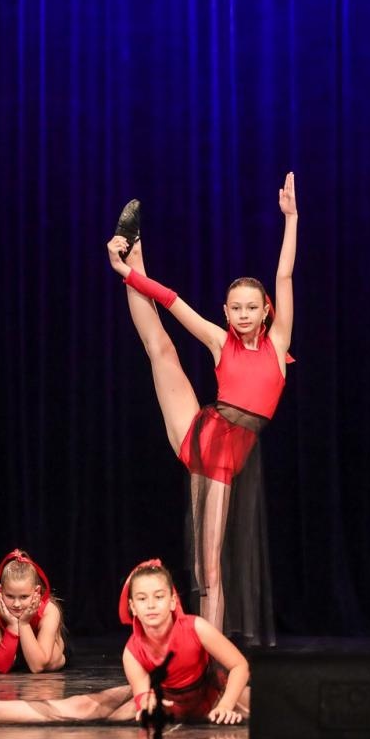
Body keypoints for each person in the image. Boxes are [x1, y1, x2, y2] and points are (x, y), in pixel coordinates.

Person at [104, 172, 297, 647]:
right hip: (205, 437)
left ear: (266, 310)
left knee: (210, 565)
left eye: (252, 307)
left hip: (226, 457)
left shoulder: (277, 345)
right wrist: (127, 273)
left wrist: (291, 219)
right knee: (161, 348)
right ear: (227, 312)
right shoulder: (218, 341)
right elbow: (173, 302)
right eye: (236, 308)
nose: (244, 314)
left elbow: (285, 275)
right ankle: (135, 250)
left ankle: (212, 656)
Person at [0, 559, 250, 725]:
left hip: (208, 695)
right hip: (168, 700)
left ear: (173, 600)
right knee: (90, 708)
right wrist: (148, 704)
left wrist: (225, 705)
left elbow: (238, 665)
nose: (152, 605)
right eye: (142, 599)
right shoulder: (133, 651)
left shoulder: (196, 627)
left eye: (159, 597)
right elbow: (144, 694)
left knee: (268, 703)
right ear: (132, 607)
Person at [0, 548, 67, 672]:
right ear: (0, 590)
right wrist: (12, 625)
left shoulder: (49, 610)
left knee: (52, 661)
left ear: (36, 592)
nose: (16, 604)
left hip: (40, 649)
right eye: (9, 596)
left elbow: (37, 667)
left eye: (24, 597)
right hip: (8, 648)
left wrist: (24, 623)